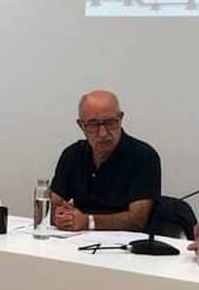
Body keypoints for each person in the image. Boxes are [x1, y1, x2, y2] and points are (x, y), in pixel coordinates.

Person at [49, 90, 160, 232]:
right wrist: (61, 217)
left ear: (121, 118)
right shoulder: (73, 154)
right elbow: (53, 205)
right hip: (76, 239)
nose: (102, 133)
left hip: (124, 241)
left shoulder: (143, 156)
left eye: (110, 123)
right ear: (81, 125)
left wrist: (89, 222)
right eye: (93, 124)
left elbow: (138, 220)